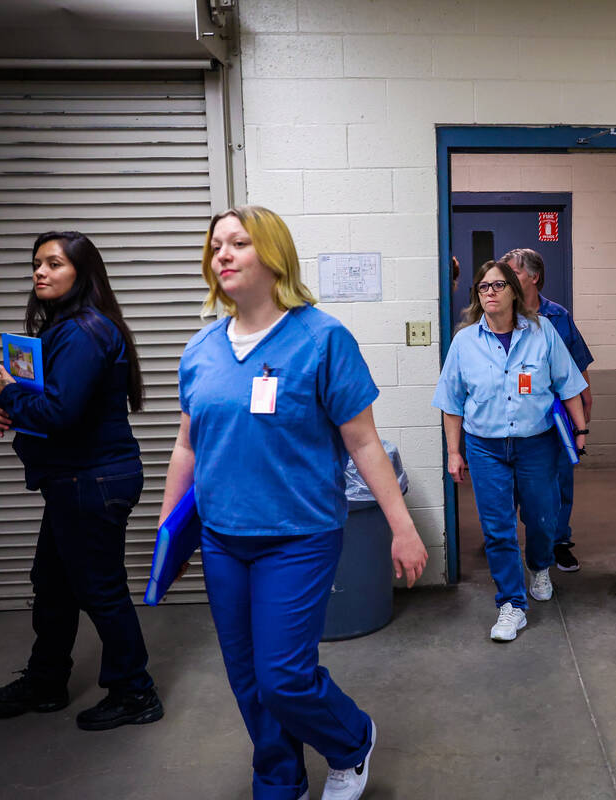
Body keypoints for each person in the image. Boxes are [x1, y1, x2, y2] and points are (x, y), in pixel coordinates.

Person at [160, 206, 427, 800]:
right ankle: (279, 781)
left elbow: (362, 440)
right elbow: (186, 446)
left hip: (299, 535)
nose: (221, 254)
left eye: (237, 243)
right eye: (215, 247)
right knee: (248, 680)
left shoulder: (321, 338)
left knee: (283, 678)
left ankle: (353, 742)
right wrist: (167, 529)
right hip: (223, 537)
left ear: (273, 254)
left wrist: (401, 528)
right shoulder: (201, 348)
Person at [0, 231, 162, 731]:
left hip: (92, 481)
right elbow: (59, 405)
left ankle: (135, 692)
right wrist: (15, 409)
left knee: (101, 591)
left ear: (82, 273)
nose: (40, 271)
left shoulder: (83, 331)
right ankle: (46, 681)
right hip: (76, 480)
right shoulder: (69, 327)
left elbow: (61, 413)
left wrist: (10, 394)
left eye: (53, 263)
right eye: (37, 263)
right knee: (54, 585)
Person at [433, 260, 587, 641]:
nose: (489, 293)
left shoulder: (542, 332)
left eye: (498, 285)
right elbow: (451, 403)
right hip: (484, 447)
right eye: (483, 287)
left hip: (537, 444)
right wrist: (454, 453)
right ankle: (511, 605)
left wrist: (580, 432)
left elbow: (569, 385)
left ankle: (539, 567)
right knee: (498, 528)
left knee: (541, 518)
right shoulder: (464, 341)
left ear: (514, 293)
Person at [500, 248, 594, 572]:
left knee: (558, 481)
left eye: (513, 271)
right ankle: (506, 539)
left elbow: (578, 370)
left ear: (534, 276)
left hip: (555, 412)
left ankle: (557, 541)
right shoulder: (500, 315)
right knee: (510, 482)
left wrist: (584, 414)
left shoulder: (558, 316)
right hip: (512, 416)